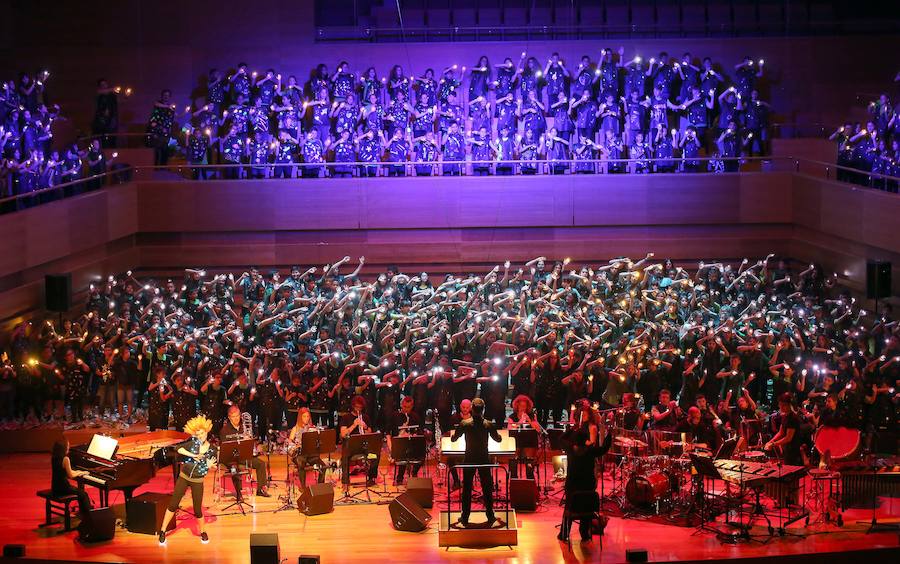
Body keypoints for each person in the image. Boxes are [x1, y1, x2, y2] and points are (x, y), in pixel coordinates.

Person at [558, 399, 612, 543]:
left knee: (570, 504)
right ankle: (585, 533)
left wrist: (572, 430)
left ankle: (564, 533)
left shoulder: (570, 449)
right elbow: (604, 448)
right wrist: (609, 433)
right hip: (588, 483)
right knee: (586, 504)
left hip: (573, 483)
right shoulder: (590, 451)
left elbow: (561, 439)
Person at [159, 415, 218, 545]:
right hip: (184, 477)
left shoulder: (212, 449)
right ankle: (162, 531)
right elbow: (177, 448)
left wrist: (209, 466)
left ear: (207, 432)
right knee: (173, 504)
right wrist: (193, 455)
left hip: (198, 480)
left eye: (202, 433)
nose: (199, 436)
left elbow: (212, 466)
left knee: (197, 510)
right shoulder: (193, 443)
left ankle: (203, 531)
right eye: (197, 434)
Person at [450, 397, 503, 528]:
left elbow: (454, 439)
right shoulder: (489, 424)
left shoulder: (464, 423)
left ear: (472, 409)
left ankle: (465, 517)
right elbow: (498, 439)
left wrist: (452, 436)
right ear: (483, 409)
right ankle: (490, 515)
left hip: (469, 459)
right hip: (484, 459)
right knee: (487, 488)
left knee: (467, 489)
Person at [219, 406, 270, 500]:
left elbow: (250, 445)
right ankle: (239, 493)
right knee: (235, 469)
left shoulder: (244, 428)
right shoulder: (224, 431)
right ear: (229, 418)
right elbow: (225, 449)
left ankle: (260, 490)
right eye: (233, 417)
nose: (236, 418)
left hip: (243, 456)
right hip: (231, 459)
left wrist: (249, 441)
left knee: (261, 464)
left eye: (237, 416)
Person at [50, 440, 94, 528]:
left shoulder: (54, 457)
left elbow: (65, 471)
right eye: (68, 447)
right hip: (64, 488)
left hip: (55, 487)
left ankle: (83, 514)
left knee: (80, 493)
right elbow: (70, 475)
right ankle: (89, 517)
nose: (68, 448)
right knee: (83, 494)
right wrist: (81, 472)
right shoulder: (65, 459)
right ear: (64, 448)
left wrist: (77, 471)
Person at [339, 395, 380, 488]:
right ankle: (345, 481)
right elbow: (343, 434)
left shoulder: (365, 417)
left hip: (364, 445)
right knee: (345, 455)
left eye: (360, 407)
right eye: (357, 407)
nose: (358, 409)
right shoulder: (346, 417)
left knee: (375, 454)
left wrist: (365, 426)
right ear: (353, 406)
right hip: (351, 446)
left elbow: (370, 433)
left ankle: (371, 478)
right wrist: (354, 425)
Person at [388, 396, 423, 484]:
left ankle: (414, 472)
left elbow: (419, 432)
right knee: (404, 455)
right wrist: (391, 447)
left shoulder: (415, 417)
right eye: (404, 407)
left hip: (411, 444)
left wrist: (412, 435)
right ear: (401, 405)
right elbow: (388, 432)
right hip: (398, 444)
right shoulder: (395, 415)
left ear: (412, 406)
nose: (406, 409)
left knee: (422, 455)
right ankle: (399, 478)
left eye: (408, 407)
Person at [288, 407, 326, 486]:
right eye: (304, 416)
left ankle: (320, 485)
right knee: (301, 464)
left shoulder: (312, 428)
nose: (306, 418)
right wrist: (296, 446)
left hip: (310, 455)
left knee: (323, 466)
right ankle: (303, 486)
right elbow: (290, 444)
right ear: (300, 417)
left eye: (308, 416)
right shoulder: (295, 429)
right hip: (299, 455)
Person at [507, 394, 541, 480]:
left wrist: (529, 421)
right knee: (513, 458)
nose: (523, 408)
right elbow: (510, 428)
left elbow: (538, 429)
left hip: (529, 440)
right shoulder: (512, 416)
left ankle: (530, 478)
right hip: (516, 439)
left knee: (529, 460)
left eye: (525, 406)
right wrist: (521, 421)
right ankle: (514, 479)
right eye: (521, 406)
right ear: (517, 406)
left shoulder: (532, 415)